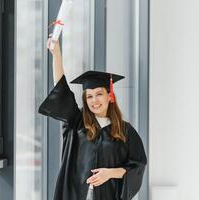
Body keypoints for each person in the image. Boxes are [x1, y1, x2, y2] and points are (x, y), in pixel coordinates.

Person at [38, 37, 147, 200]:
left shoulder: (125, 131)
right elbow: (61, 89)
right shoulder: (76, 122)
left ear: (110, 96)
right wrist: (56, 54)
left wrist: (109, 173)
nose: (94, 100)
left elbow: (137, 166)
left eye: (99, 94)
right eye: (89, 96)